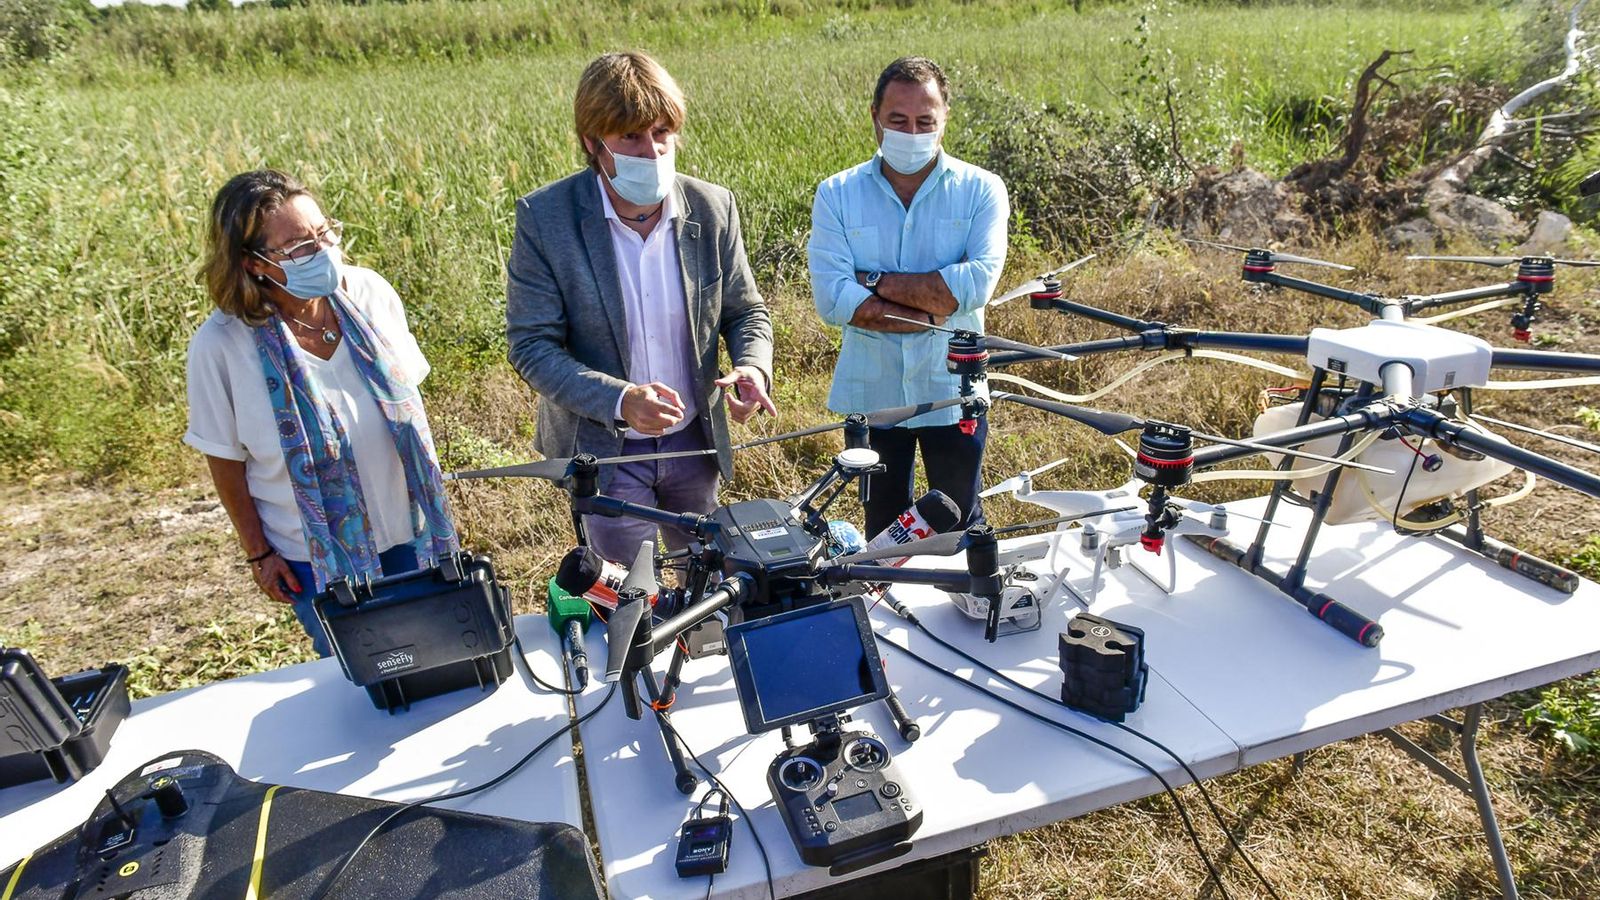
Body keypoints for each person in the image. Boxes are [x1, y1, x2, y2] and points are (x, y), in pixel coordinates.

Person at [506, 51, 775, 564]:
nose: (650, 151)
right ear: (592, 142)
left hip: (694, 442)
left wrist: (752, 367)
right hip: (607, 450)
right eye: (629, 136)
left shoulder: (712, 207)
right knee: (633, 595)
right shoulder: (547, 219)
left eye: (660, 133)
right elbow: (532, 346)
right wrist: (621, 400)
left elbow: (745, 311)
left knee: (706, 578)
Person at [185, 170, 458, 657]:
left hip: (411, 531)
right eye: (298, 246)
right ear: (254, 264)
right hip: (318, 557)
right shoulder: (222, 345)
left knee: (440, 654)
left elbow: (409, 405)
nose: (323, 251)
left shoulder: (369, 293)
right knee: (367, 672)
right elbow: (224, 459)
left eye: (324, 233)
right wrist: (259, 552)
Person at [808, 56, 1009, 537]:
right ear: (875, 116)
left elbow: (974, 286)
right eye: (898, 120)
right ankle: (891, 608)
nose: (911, 132)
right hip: (872, 392)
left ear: (944, 121)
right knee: (882, 526)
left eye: (925, 122)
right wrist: (935, 299)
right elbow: (834, 300)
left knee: (956, 519)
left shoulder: (982, 190)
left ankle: (963, 604)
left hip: (953, 390)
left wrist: (872, 280)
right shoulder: (837, 193)